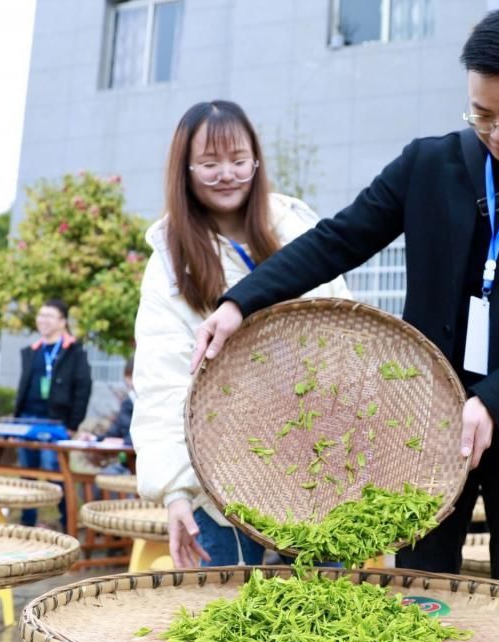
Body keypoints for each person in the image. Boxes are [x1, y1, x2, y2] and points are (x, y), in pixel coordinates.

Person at [189, 9, 499, 590]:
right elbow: (337, 240)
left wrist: (493, 400)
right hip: (422, 418)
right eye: (483, 115)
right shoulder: (429, 164)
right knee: (421, 584)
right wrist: (239, 303)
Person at [130, 100, 351, 567]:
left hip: (316, 472)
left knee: (326, 617)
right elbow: (162, 382)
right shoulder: (170, 262)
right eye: (209, 163)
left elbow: (346, 337)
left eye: (237, 160)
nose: (226, 174)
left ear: (256, 160)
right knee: (224, 619)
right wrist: (175, 492)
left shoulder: (297, 228)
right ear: (186, 169)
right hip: (221, 479)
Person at [13, 298, 92, 528]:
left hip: (56, 423)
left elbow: (83, 388)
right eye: (40, 315)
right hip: (27, 420)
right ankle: (27, 526)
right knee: (26, 476)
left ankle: (67, 525)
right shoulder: (32, 351)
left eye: (49, 316)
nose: (42, 320)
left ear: (62, 322)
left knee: (55, 473)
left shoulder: (74, 351)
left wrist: (73, 424)